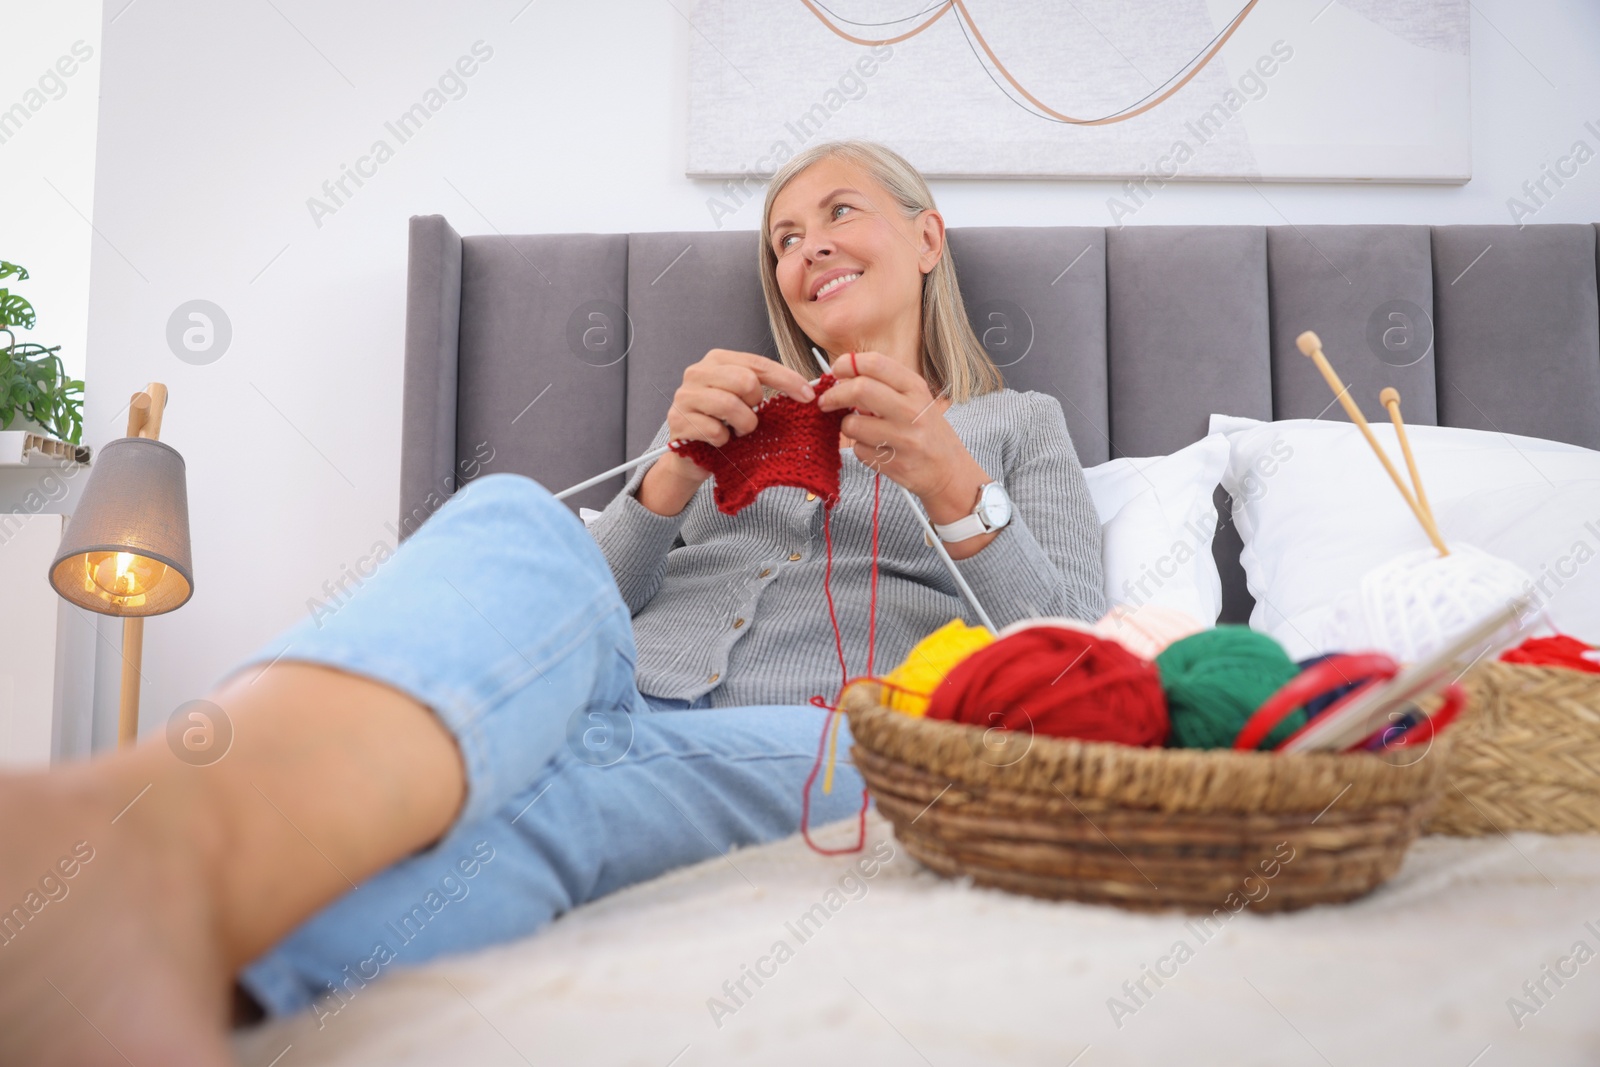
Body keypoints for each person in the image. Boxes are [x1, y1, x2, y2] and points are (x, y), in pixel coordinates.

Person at [0, 139, 1104, 1065]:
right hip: (596, 690)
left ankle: (156, 907)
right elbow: (594, 598)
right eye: (781, 237)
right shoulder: (733, 422)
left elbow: (1080, 666)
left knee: (552, 794)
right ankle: (151, 880)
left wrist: (953, 483)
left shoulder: (1021, 428)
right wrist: (668, 476)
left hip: (835, 735)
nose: (803, 246)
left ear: (926, 236)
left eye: (838, 211)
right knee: (513, 515)